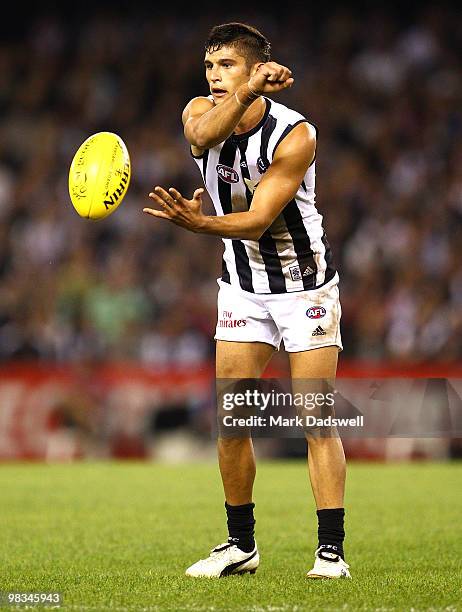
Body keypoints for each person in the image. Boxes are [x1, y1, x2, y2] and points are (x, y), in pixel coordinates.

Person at [143, 22, 350, 580]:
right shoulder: (197, 114)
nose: (213, 77)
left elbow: (258, 220)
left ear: (254, 67)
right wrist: (247, 90)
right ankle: (241, 545)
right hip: (242, 288)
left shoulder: (295, 134)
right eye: (209, 66)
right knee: (231, 420)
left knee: (315, 419)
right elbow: (206, 136)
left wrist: (200, 223)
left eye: (227, 66)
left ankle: (330, 552)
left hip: (305, 285)